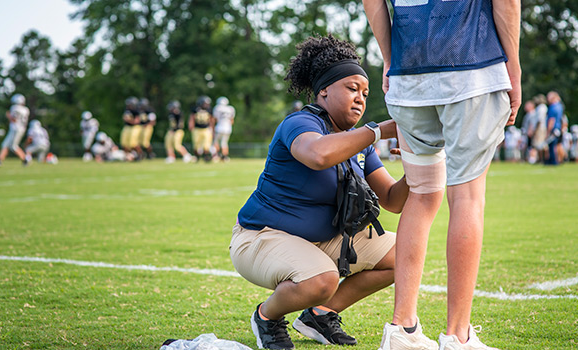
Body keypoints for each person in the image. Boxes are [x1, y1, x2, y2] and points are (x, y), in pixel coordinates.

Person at [230, 34, 409, 350]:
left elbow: (393, 200)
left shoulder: (359, 142)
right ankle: (266, 317)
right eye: (352, 89)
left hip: (322, 242)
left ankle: (320, 315)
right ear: (324, 90)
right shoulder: (300, 123)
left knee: (404, 252)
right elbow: (317, 155)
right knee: (322, 279)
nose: (360, 99)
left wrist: (422, 161)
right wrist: (377, 131)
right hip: (261, 237)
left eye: (365, 93)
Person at [363, 0, 521, 349]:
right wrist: (514, 67)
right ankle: (458, 336)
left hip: (410, 77)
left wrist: (390, 59)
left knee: (421, 193)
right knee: (466, 197)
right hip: (472, 72)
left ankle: (402, 329)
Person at [0, 93, 30, 167]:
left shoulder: (15, 108)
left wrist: (8, 115)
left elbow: (14, 119)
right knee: (5, 144)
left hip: (15, 128)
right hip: (21, 128)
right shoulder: (26, 109)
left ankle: (25, 159)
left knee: (13, 146)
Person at [188, 96, 214, 161]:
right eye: (205, 103)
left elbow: (211, 119)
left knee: (206, 144)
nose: (206, 105)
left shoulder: (209, 109)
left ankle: (206, 156)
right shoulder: (196, 109)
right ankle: (197, 156)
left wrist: (212, 128)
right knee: (196, 144)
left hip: (206, 129)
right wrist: (191, 125)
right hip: (197, 129)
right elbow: (192, 118)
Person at [212, 96, 236, 162]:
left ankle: (216, 156)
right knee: (224, 143)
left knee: (216, 142)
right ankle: (225, 157)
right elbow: (232, 120)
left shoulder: (217, 108)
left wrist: (212, 127)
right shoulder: (231, 109)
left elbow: (214, 119)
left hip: (219, 127)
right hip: (228, 128)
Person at [545, 91, 563, 165]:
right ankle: (558, 160)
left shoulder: (553, 107)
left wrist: (548, 131)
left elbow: (551, 120)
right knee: (557, 145)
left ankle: (553, 161)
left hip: (553, 129)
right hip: (558, 128)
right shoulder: (560, 106)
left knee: (552, 146)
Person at [531, 94, 548, 164]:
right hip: (542, 127)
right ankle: (541, 158)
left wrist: (536, 129)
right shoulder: (542, 108)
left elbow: (539, 120)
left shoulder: (541, 108)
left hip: (540, 128)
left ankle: (541, 159)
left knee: (539, 144)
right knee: (540, 144)